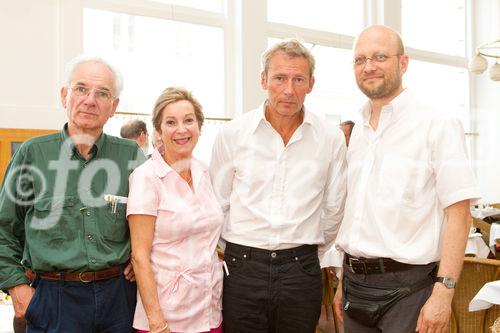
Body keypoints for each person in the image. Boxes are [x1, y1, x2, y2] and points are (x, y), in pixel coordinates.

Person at [332, 25, 480, 333]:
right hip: (354, 287)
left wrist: (444, 291)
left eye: (380, 56)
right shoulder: (355, 131)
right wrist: (341, 283)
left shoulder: (437, 125)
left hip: (409, 291)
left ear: (403, 63)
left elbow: (459, 215)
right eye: (360, 59)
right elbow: (358, 216)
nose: (369, 66)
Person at [0, 54, 146, 332]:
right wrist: (17, 287)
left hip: (120, 297)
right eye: (81, 89)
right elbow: (3, 229)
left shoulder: (131, 156)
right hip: (53, 300)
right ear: (64, 95)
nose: (90, 100)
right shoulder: (32, 154)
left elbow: (156, 219)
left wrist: (140, 256)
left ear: (114, 106)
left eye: (102, 93)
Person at [210, 39, 347, 333]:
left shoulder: (330, 138)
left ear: (311, 84)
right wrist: (239, 251)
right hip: (242, 266)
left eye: (298, 79)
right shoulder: (232, 134)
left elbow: (335, 208)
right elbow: (217, 203)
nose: (289, 89)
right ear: (263, 80)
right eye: (280, 78)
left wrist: (306, 249)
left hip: (301, 268)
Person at [127, 87, 224, 333]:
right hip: (166, 316)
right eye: (171, 122)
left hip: (209, 309)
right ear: (158, 131)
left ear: (199, 127)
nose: (181, 129)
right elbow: (140, 256)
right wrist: (158, 324)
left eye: (188, 120)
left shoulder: (205, 171)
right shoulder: (146, 177)